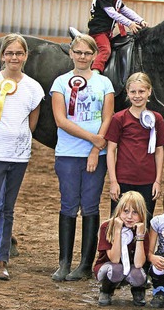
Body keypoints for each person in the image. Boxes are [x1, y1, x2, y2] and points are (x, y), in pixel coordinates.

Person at [0, 33, 45, 280]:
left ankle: (0, 258)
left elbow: (32, 123)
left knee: (8, 208)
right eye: (10, 53)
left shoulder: (33, 88)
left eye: (19, 53)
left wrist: (18, 140)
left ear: (25, 56)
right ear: (3, 56)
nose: (14, 57)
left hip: (19, 156)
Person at [49, 35, 115, 282]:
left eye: (87, 53)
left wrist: (96, 149)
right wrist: (93, 138)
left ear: (94, 55)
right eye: (78, 52)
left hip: (94, 155)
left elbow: (107, 117)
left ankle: (85, 264)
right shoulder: (60, 83)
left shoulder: (104, 83)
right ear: (71, 53)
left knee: (90, 206)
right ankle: (64, 262)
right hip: (67, 153)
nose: (82, 57)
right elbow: (61, 120)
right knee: (68, 205)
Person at [106, 72, 164, 218]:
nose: (137, 95)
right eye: (133, 91)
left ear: (149, 92)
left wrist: (157, 181)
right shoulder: (119, 118)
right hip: (123, 180)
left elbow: (159, 151)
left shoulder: (157, 119)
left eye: (141, 91)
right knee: (120, 222)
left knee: (144, 223)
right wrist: (113, 181)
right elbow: (111, 150)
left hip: (148, 181)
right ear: (127, 92)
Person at [88, 0, 147, 74]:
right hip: (99, 31)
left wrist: (140, 20)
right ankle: (95, 72)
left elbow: (125, 10)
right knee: (105, 50)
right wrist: (130, 24)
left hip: (107, 32)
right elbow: (112, 13)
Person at [94, 191, 148, 306]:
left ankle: (138, 290)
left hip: (132, 268)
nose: (129, 217)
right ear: (119, 211)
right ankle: (106, 290)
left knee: (138, 273)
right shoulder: (107, 227)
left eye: (135, 213)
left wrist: (139, 236)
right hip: (109, 267)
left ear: (142, 214)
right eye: (126, 211)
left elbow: (138, 264)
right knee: (116, 269)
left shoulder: (143, 230)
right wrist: (117, 230)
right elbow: (114, 259)